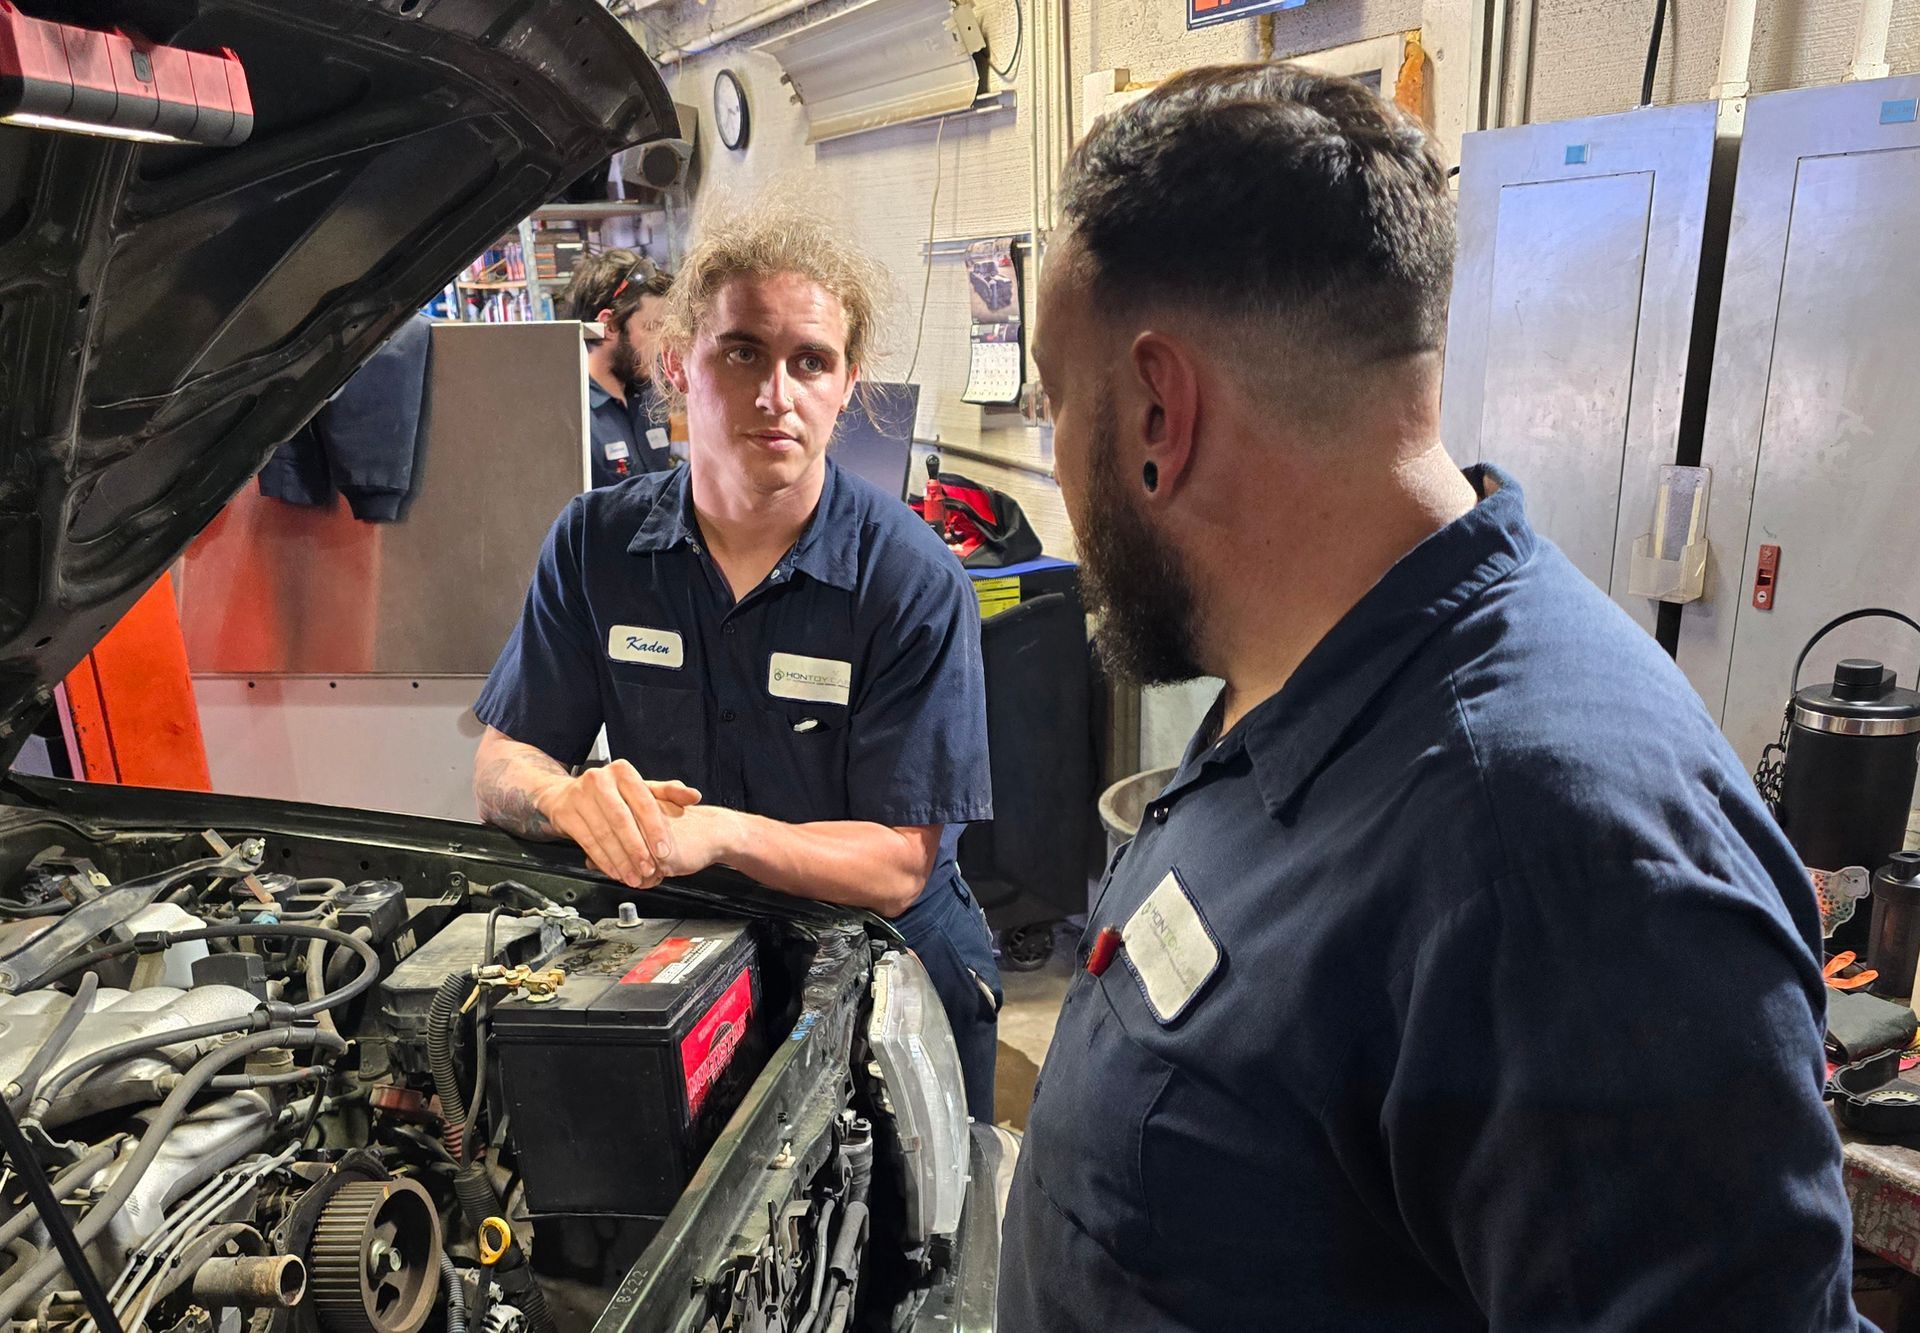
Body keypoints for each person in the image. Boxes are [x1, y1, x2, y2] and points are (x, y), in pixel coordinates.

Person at [999, 64, 1861, 1330]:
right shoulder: (1304, 669)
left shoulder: (1553, 861)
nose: (1056, 455)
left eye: (1056, 402)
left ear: (1156, 413)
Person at [470, 205, 1003, 1118]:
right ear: (680, 363)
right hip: (686, 961)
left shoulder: (911, 581)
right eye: (743, 352)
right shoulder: (595, 547)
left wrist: (717, 831)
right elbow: (500, 764)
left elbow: (898, 862)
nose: (777, 395)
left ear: (846, 385)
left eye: (812, 362)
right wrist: (565, 797)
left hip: (889, 976)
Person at [558, 249, 674, 486]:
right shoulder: (571, 417)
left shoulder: (651, 403)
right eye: (652, 327)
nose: (662, 344)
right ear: (609, 325)